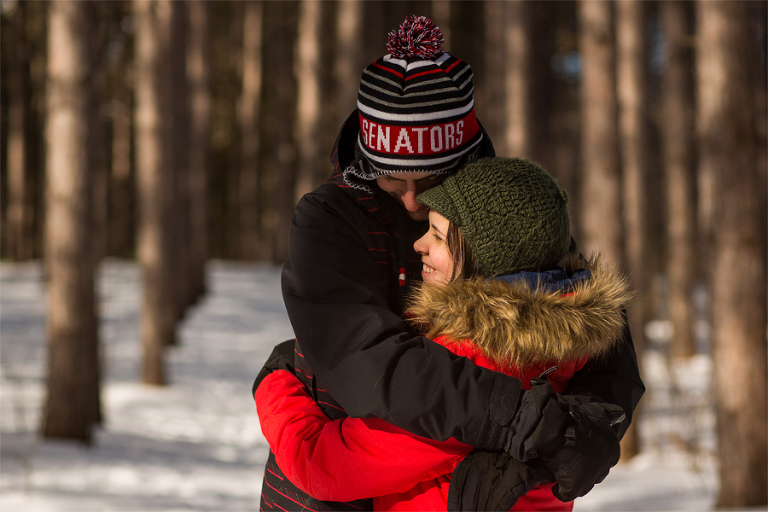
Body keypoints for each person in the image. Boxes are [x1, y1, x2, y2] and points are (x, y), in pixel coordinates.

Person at [254, 15, 644, 512]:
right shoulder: (328, 218)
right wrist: (519, 419)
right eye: (395, 181)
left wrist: (585, 428)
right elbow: (367, 360)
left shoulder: (504, 208)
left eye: (433, 179)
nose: (414, 202)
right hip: (329, 490)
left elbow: (594, 327)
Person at [255, 157, 634, 511]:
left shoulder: (472, 367)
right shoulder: (567, 353)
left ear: (483, 257)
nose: (418, 244)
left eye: (436, 235)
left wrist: (276, 384)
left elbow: (324, 467)